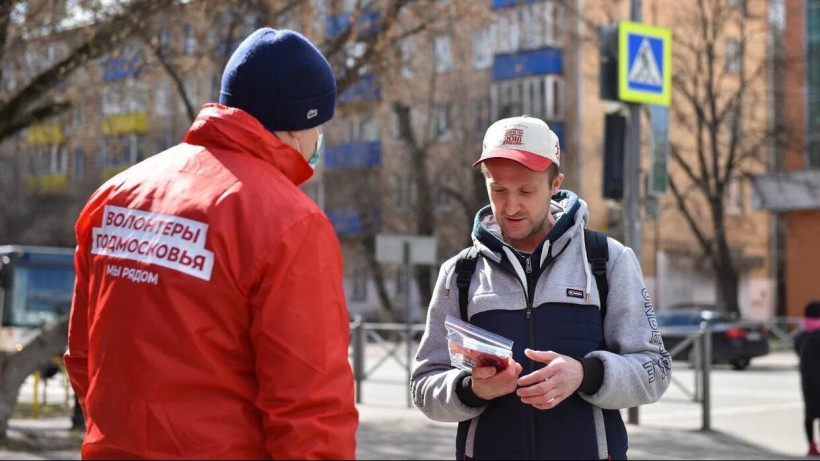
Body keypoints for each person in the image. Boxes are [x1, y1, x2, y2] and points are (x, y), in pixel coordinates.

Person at [64, 28, 358, 460]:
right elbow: (309, 406)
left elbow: (84, 356)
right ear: (302, 125)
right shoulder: (291, 223)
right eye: (321, 126)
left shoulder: (114, 196)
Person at [411, 115, 671, 460]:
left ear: (554, 184)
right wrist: (470, 389)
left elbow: (656, 371)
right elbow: (424, 385)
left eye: (527, 190)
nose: (511, 206)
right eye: (498, 190)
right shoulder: (460, 272)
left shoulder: (608, 261)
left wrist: (587, 374)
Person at [796, 301, 820, 457]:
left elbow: (798, 352)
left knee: (810, 413)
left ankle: (811, 446)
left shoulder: (802, 333)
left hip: (807, 379)